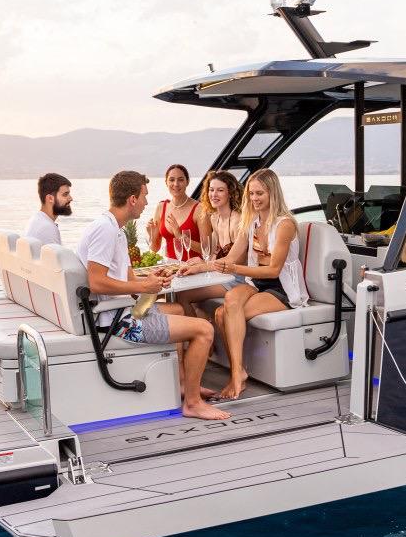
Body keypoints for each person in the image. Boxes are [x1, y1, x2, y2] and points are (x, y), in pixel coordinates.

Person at [77, 171, 229, 421]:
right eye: (144, 196)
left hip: (122, 310)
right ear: (132, 199)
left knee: (178, 309)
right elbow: (96, 282)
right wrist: (145, 288)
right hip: (119, 321)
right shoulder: (106, 231)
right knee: (204, 329)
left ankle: (182, 384)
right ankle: (193, 403)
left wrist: (150, 282)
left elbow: (127, 280)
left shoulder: (115, 229)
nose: (147, 202)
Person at [190, 169, 309, 400]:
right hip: (257, 283)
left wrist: (235, 269)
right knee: (227, 304)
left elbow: (273, 270)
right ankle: (239, 371)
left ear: (272, 193)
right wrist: (199, 267)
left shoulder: (284, 224)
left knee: (223, 314)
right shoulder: (252, 222)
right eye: (251, 194)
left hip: (281, 288)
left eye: (259, 193)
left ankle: (237, 375)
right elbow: (229, 259)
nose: (254, 198)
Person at [174, 171, 245, 317]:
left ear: (230, 193)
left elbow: (236, 261)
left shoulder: (238, 220)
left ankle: (200, 329)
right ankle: (202, 326)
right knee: (181, 289)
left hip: (237, 279)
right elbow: (214, 254)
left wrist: (201, 267)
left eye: (220, 190)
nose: (214, 194)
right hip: (219, 274)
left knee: (183, 295)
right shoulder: (215, 218)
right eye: (211, 190)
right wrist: (202, 262)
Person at [146, 164, 211, 262]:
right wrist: (152, 234)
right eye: (171, 180)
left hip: (194, 268)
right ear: (166, 182)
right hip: (169, 268)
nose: (176, 184)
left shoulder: (199, 209)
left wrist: (180, 236)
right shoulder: (161, 207)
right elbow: (155, 248)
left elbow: (207, 250)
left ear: (187, 182)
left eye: (180, 180)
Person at [24, 173, 72, 245]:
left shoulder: (37, 219)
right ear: (50, 198)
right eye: (65, 194)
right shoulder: (47, 228)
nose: (70, 198)